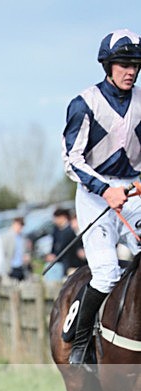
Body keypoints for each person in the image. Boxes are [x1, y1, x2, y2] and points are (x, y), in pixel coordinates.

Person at [62, 28, 141, 364]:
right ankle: (81, 345)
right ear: (108, 65)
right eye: (123, 64)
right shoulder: (84, 104)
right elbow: (71, 160)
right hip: (96, 195)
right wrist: (104, 189)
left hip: (135, 190)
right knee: (107, 271)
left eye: (135, 64)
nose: (131, 71)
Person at [43, 208, 77, 282]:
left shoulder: (70, 231)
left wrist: (55, 257)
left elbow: (65, 248)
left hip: (67, 262)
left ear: (63, 217)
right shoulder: (56, 230)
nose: (54, 220)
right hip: (58, 260)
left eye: (56, 218)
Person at [3, 217, 30, 281]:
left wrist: (26, 255)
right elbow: (3, 252)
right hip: (11, 267)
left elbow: (26, 251)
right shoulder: (7, 236)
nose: (20, 228)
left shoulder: (23, 237)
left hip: (21, 266)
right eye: (19, 225)